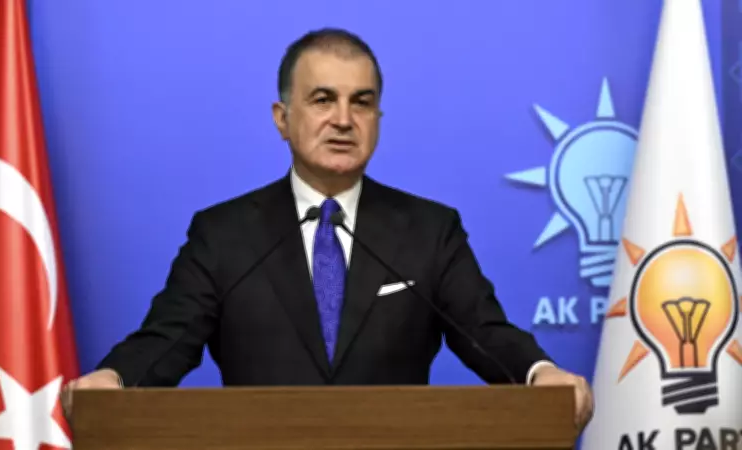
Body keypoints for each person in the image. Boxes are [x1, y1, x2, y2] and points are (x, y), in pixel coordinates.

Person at [62, 27, 593, 431]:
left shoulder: (430, 230)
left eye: (361, 102)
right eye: (323, 100)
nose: (343, 119)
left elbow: (484, 331)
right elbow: (168, 340)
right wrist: (113, 379)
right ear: (282, 118)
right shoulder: (224, 234)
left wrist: (540, 373)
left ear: (377, 119)